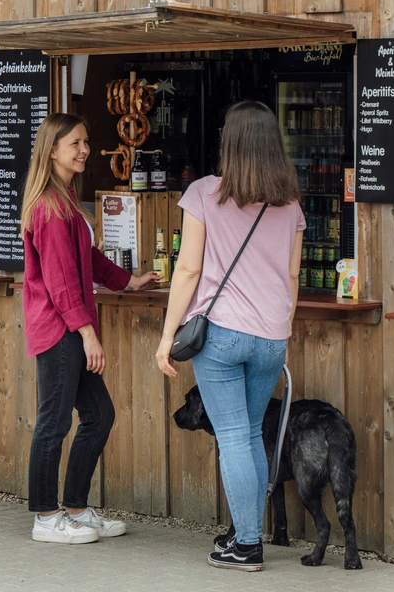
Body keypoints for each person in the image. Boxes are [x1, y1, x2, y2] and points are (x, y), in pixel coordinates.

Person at [155, 101, 304, 572]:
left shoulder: (204, 193)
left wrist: (165, 338)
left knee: (235, 438)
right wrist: (284, 328)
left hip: (221, 336)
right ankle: (246, 533)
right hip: (270, 338)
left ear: (229, 142)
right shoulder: (291, 203)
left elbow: (189, 268)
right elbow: (293, 276)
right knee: (250, 438)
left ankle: (246, 545)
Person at [22, 113, 160, 544]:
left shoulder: (65, 198)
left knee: (99, 415)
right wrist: (87, 334)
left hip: (71, 326)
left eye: (85, 141)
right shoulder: (49, 206)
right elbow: (62, 280)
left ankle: (76, 509)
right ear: (52, 150)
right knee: (54, 421)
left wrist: (128, 280)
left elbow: (90, 257)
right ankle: (46, 517)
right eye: (76, 143)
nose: (84, 150)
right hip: (59, 328)